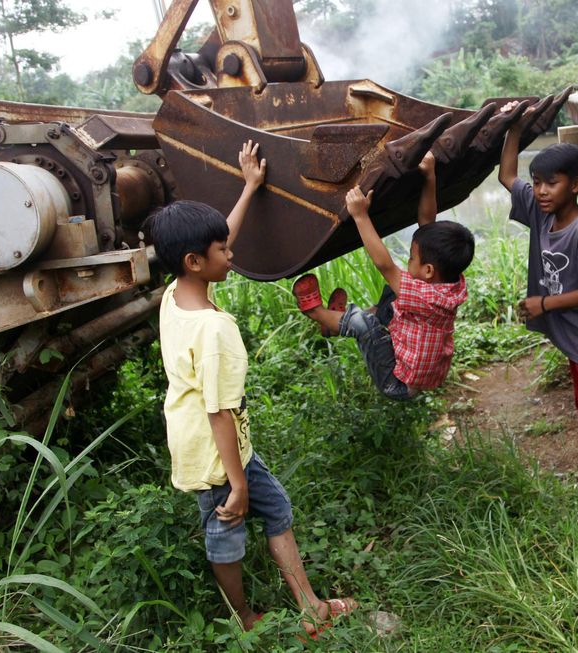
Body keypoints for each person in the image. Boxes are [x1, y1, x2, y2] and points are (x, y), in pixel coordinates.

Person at [146, 140, 356, 636]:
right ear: (194, 261)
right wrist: (237, 484)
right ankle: (244, 620)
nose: (231, 253)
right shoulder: (214, 330)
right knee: (226, 534)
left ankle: (311, 608)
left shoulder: (176, 294)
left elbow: (215, 241)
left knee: (277, 507)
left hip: (223, 446)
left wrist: (249, 188)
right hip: (215, 455)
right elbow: (219, 411)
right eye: (222, 250)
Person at [498, 104, 578, 517]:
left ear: (575, 185)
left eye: (550, 184)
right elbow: (506, 176)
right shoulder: (543, 214)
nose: (540, 191)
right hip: (576, 339)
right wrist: (515, 128)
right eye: (537, 183)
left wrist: (543, 303)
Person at [293, 152, 474, 400]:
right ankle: (334, 325)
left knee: (364, 324)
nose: (408, 260)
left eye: (412, 258)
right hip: (408, 354)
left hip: (397, 381)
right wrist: (429, 177)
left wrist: (360, 215)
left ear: (429, 270)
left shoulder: (426, 297)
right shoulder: (449, 282)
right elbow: (427, 223)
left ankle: (318, 314)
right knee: (394, 292)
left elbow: (385, 265)